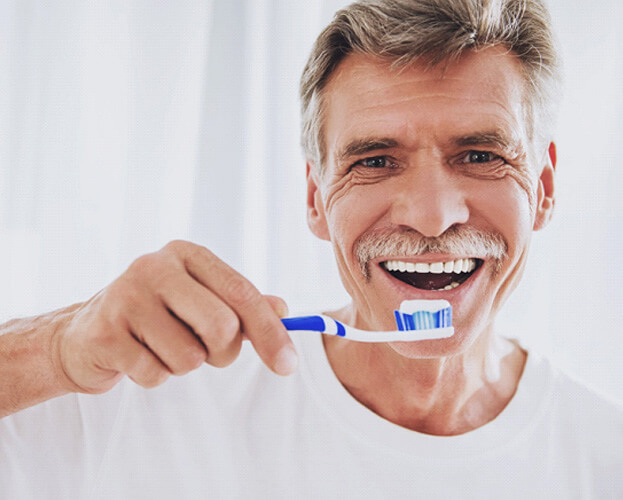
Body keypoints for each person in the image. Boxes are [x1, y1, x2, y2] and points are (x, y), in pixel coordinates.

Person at [1, 0, 622, 498]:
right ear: (316, 198)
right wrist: (54, 349)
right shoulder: (144, 393)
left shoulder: (604, 458)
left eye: (481, 156)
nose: (433, 216)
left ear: (542, 187)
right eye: (375, 160)